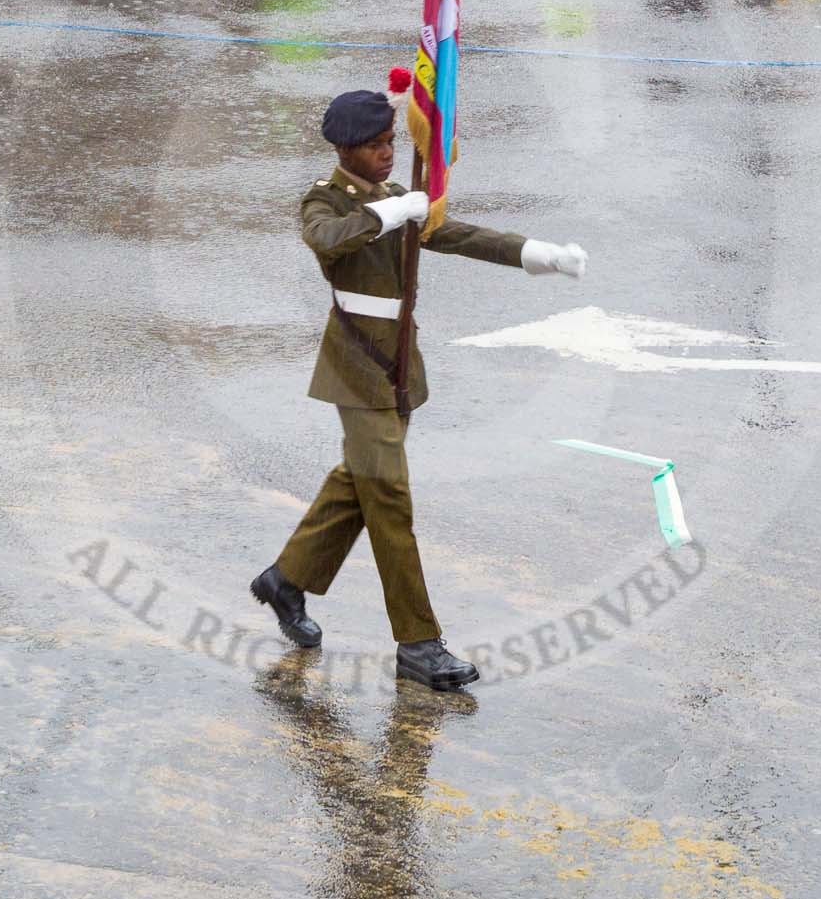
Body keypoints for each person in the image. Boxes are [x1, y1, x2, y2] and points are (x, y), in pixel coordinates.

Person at [248, 79, 587, 691]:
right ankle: (419, 644)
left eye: (388, 142)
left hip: (398, 365)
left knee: (360, 483)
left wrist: (537, 253)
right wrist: (386, 213)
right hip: (355, 369)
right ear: (345, 150)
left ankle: (286, 580)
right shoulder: (324, 201)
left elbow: (455, 234)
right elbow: (326, 239)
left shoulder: (399, 195)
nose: (385, 153)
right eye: (374, 146)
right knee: (391, 503)